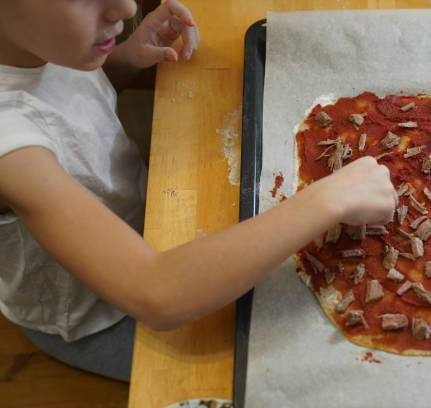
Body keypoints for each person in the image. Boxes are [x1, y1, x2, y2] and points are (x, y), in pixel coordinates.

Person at [0, 0, 396, 382]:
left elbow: (69, 100)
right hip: (100, 315)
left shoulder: (37, 43)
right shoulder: (10, 144)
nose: (124, 9)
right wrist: (329, 199)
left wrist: (122, 60)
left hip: (149, 229)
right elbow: (157, 293)